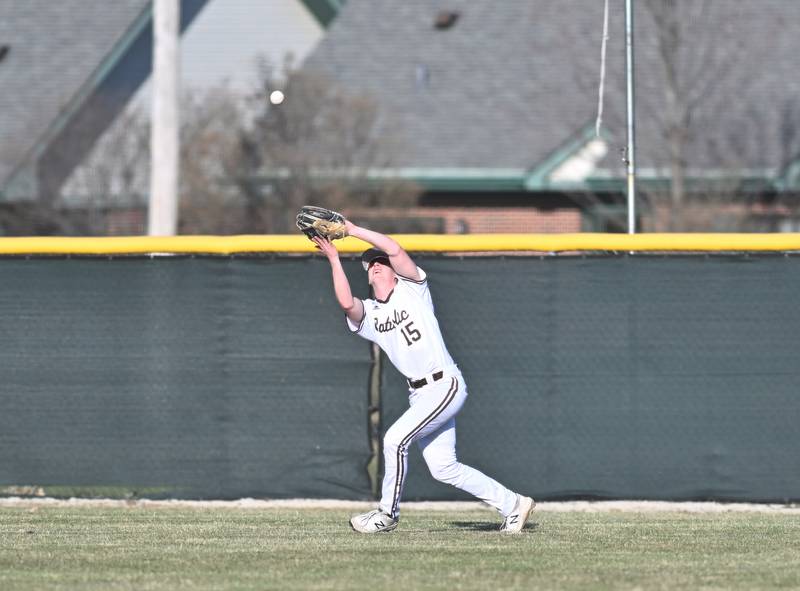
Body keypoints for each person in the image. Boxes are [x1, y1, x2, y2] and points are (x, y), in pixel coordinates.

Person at [312, 219, 534, 534]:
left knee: (394, 440)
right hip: (420, 394)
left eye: (380, 262)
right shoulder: (373, 314)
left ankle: (386, 514)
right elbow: (348, 304)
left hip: (444, 383)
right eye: (370, 264)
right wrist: (334, 259)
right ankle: (514, 504)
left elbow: (395, 248)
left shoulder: (413, 289)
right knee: (444, 468)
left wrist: (350, 228)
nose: (375, 265)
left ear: (393, 270)